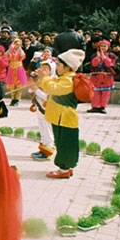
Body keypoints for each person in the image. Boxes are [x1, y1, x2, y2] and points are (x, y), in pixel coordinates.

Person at [36, 49, 84, 179]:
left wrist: (44, 78)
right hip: (60, 117)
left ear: (67, 66)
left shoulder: (68, 81)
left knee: (65, 144)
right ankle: (65, 167)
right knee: (62, 142)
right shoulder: (65, 78)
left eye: (59, 65)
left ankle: (64, 169)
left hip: (65, 118)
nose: (56, 67)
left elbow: (52, 89)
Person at [29, 60, 57, 161]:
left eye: (45, 69)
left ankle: (48, 149)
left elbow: (47, 97)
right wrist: (32, 85)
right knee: (42, 129)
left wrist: (36, 89)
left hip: (47, 110)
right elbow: (32, 90)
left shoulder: (52, 82)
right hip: (40, 109)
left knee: (47, 130)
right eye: (42, 68)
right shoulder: (41, 80)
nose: (42, 70)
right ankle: (43, 148)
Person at [88, 40, 116, 114]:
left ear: (108, 47)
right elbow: (94, 65)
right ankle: (95, 106)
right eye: (101, 46)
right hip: (96, 76)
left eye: (104, 46)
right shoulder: (94, 55)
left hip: (106, 76)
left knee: (105, 92)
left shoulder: (111, 55)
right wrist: (97, 58)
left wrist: (104, 58)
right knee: (95, 92)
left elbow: (110, 64)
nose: (103, 48)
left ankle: (103, 106)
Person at [5, 39, 27, 106]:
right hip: (11, 67)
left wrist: (20, 49)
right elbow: (5, 55)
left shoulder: (20, 51)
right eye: (15, 44)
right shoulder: (10, 51)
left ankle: (17, 99)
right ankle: (13, 98)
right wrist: (10, 49)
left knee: (19, 84)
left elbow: (22, 56)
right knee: (12, 84)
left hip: (19, 67)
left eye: (18, 44)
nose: (16, 45)